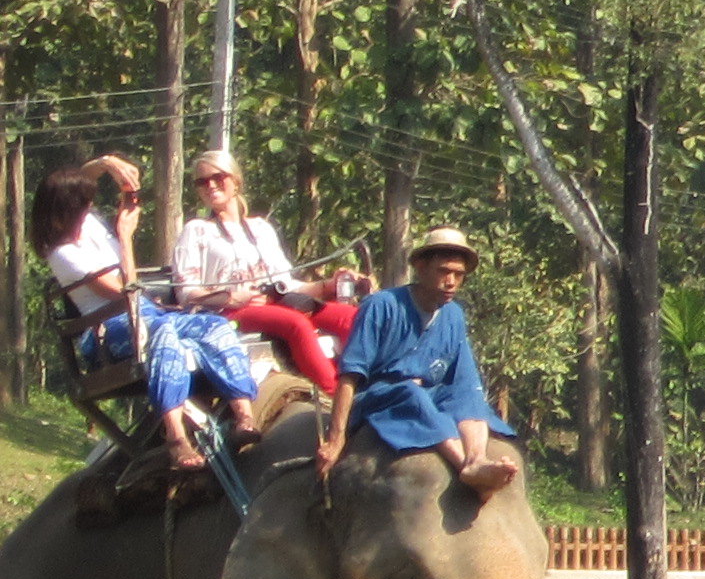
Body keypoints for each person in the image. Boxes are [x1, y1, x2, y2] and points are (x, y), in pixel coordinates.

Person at [30, 162, 262, 466]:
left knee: (214, 326)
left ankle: (243, 414)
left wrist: (117, 176)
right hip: (109, 329)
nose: (89, 212)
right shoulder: (63, 254)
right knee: (163, 335)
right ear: (64, 212)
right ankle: (176, 437)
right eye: (82, 207)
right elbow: (122, 292)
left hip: (149, 315)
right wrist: (125, 237)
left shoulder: (85, 225)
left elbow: (77, 180)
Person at [322, 224, 520, 496]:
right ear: (420, 267)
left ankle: (477, 459)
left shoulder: (453, 316)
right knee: (411, 393)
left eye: (458, 275)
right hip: (381, 396)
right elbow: (350, 374)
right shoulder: (381, 305)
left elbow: (464, 378)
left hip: (431, 392)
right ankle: (463, 464)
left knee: (468, 395)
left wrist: (465, 395)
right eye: (443, 271)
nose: (451, 281)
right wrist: (335, 439)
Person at [171, 153, 358, 396]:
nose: (211, 185)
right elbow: (186, 293)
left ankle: (369, 383)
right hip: (229, 312)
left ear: (235, 180)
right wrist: (232, 297)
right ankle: (334, 396)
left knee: (351, 317)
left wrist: (328, 285)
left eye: (218, 177)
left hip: (276, 302)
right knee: (296, 324)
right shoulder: (196, 231)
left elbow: (286, 283)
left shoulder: (261, 228)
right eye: (202, 181)